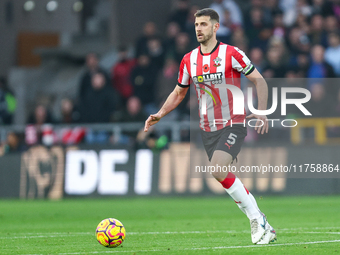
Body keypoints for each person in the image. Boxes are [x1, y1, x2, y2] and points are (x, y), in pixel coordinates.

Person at [144, 8, 276, 245]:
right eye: (196, 25)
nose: (198, 29)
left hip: (234, 123)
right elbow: (179, 92)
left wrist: (262, 111)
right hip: (208, 129)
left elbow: (259, 80)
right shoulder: (189, 60)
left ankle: (258, 219)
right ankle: (261, 221)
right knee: (221, 174)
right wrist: (160, 114)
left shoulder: (231, 53)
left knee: (217, 169)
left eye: (204, 24)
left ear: (216, 27)